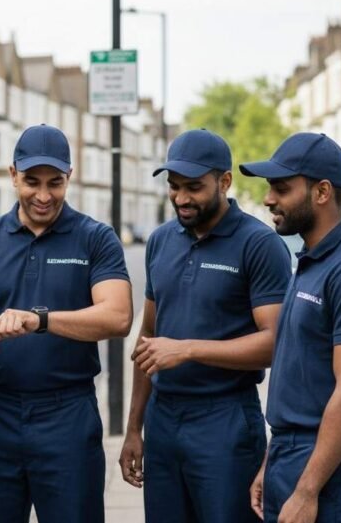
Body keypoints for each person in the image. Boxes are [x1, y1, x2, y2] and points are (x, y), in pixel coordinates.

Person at [0, 124, 133, 523]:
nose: (44, 195)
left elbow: (117, 317)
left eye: (55, 183)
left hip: (67, 414)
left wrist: (39, 320)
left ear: (70, 177)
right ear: (12, 175)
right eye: (32, 181)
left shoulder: (96, 239)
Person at [118, 129, 292, 522]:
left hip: (224, 420)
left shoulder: (258, 245)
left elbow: (277, 343)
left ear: (224, 182)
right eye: (174, 186)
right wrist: (134, 428)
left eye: (193, 187)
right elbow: (148, 340)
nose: (181, 198)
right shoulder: (160, 241)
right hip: (163, 421)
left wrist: (187, 349)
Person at [240, 132, 341, 523]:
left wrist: (308, 489)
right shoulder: (311, 260)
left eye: (281, 188)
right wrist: (271, 461)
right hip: (291, 458)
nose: (268, 199)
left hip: (331, 474)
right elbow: (300, 376)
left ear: (322, 192)